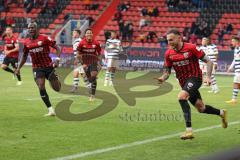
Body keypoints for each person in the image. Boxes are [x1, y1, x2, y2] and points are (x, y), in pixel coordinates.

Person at [155, 29, 227, 140]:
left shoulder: (191, 48)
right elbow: (167, 71)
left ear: (179, 37)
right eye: (168, 40)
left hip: (195, 78)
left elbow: (209, 61)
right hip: (184, 83)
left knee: (181, 97)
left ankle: (189, 131)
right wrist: (163, 78)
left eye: (171, 39)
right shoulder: (168, 53)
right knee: (201, 108)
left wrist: (208, 77)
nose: (169, 42)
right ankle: (222, 113)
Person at [15, 22, 61, 116]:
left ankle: (56, 78)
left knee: (57, 88)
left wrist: (57, 60)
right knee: (41, 86)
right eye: (29, 28)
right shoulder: (26, 42)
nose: (31, 29)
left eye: (33, 28)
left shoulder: (44, 38)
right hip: (37, 68)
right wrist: (18, 68)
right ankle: (50, 110)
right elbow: (24, 56)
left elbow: (58, 48)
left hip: (48, 66)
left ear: (37, 29)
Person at [77, 28, 102, 101]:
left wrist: (99, 62)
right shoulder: (81, 43)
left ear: (92, 34)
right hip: (85, 62)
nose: (89, 34)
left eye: (90, 33)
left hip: (93, 61)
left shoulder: (96, 43)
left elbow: (100, 54)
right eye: (87, 33)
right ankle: (91, 84)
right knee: (90, 79)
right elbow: (78, 54)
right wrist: (82, 63)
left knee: (93, 76)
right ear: (85, 35)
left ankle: (92, 95)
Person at [226, 36, 240, 104]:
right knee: (237, 85)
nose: (232, 43)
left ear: (237, 42)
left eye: (233, 41)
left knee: (236, 84)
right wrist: (230, 67)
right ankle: (234, 99)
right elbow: (235, 59)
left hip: (239, 71)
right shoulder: (236, 49)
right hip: (237, 70)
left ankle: (234, 99)